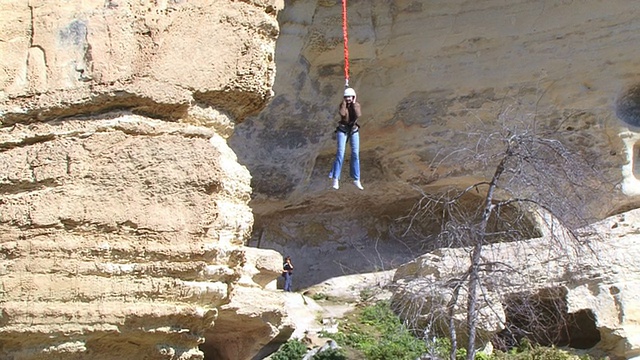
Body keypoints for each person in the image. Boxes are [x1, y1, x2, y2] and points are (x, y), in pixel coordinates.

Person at [329, 87, 364, 190]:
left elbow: (358, 115)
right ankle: (335, 178)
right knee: (340, 153)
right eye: (346, 97)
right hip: (342, 130)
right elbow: (343, 114)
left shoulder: (356, 105)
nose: (348, 99)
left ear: (353, 97)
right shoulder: (342, 105)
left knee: (355, 154)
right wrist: (344, 103)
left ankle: (356, 179)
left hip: (353, 130)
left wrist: (353, 104)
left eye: (350, 97)